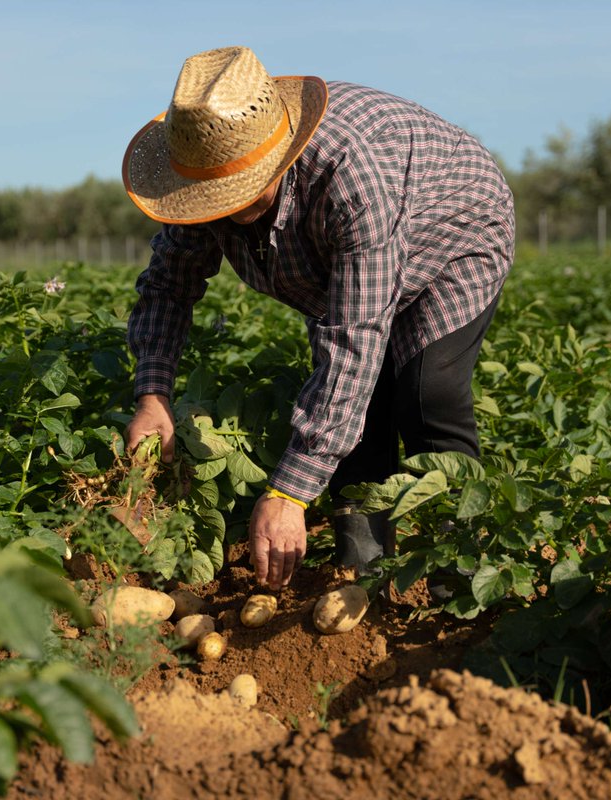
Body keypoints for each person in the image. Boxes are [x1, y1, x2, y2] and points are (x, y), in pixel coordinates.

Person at [121, 46, 514, 589]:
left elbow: (354, 339)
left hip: (455, 231)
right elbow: (167, 288)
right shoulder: (200, 182)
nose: (228, 210)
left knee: (427, 393)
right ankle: (365, 572)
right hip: (355, 267)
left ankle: (463, 573)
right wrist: (153, 395)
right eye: (214, 198)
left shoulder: (350, 175)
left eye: (240, 191)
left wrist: (288, 492)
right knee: (363, 406)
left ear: (279, 157)